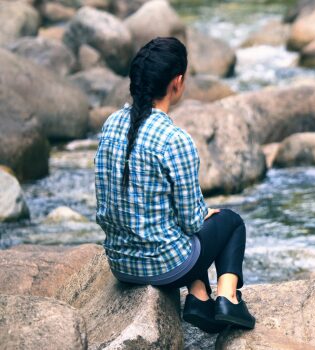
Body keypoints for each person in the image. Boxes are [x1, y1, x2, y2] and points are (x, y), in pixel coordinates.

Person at [94, 37, 255, 333]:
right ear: (177, 82)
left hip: (121, 266)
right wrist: (206, 213)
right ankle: (229, 299)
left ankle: (199, 298)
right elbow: (192, 221)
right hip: (164, 268)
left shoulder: (111, 123)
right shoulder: (174, 139)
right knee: (230, 222)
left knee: (177, 222)